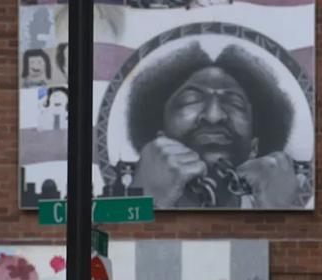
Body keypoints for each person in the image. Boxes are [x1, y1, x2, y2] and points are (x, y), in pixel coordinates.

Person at [126, 42, 305, 209]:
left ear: (254, 148)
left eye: (235, 103)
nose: (214, 116)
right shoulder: (129, 198)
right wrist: (144, 198)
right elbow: (111, 225)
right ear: (160, 141)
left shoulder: (279, 204)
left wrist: (283, 208)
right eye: (191, 100)